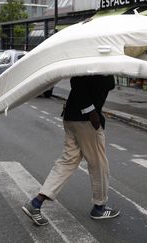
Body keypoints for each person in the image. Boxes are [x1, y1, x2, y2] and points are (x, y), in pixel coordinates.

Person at [22, 75, 119, 226]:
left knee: (68, 161)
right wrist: (92, 112)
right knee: (98, 164)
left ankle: (36, 203)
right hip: (87, 121)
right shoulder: (96, 65)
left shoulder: (85, 62)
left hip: (71, 118)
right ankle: (99, 207)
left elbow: (78, 83)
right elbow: (92, 84)